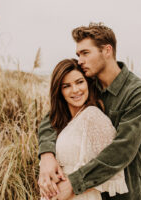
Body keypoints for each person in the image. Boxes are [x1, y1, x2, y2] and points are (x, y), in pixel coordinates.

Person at [38, 23, 141, 200]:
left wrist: (74, 183)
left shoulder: (138, 93)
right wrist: (46, 155)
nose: (80, 61)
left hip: (122, 193)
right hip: (88, 194)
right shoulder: (87, 84)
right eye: (78, 55)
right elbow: (53, 117)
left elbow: (123, 148)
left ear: (107, 51)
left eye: (85, 53)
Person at [40, 58, 128, 200]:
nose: (75, 90)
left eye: (79, 82)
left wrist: (73, 186)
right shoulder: (60, 121)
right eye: (66, 86)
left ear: (88, 83)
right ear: (59, 91)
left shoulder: (93, 116)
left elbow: (112, 167)